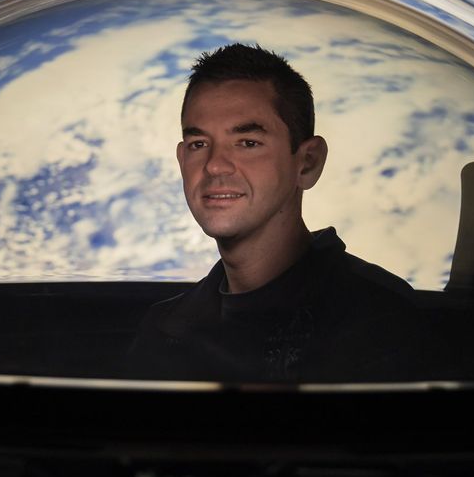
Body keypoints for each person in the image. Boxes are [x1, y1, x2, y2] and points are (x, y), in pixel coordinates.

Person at [128, 43, 432, 382]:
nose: (214, 165)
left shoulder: (377, 322)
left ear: (307, 163)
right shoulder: (165, 328)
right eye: (199, 144)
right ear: (182, 161)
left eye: (247, 143)